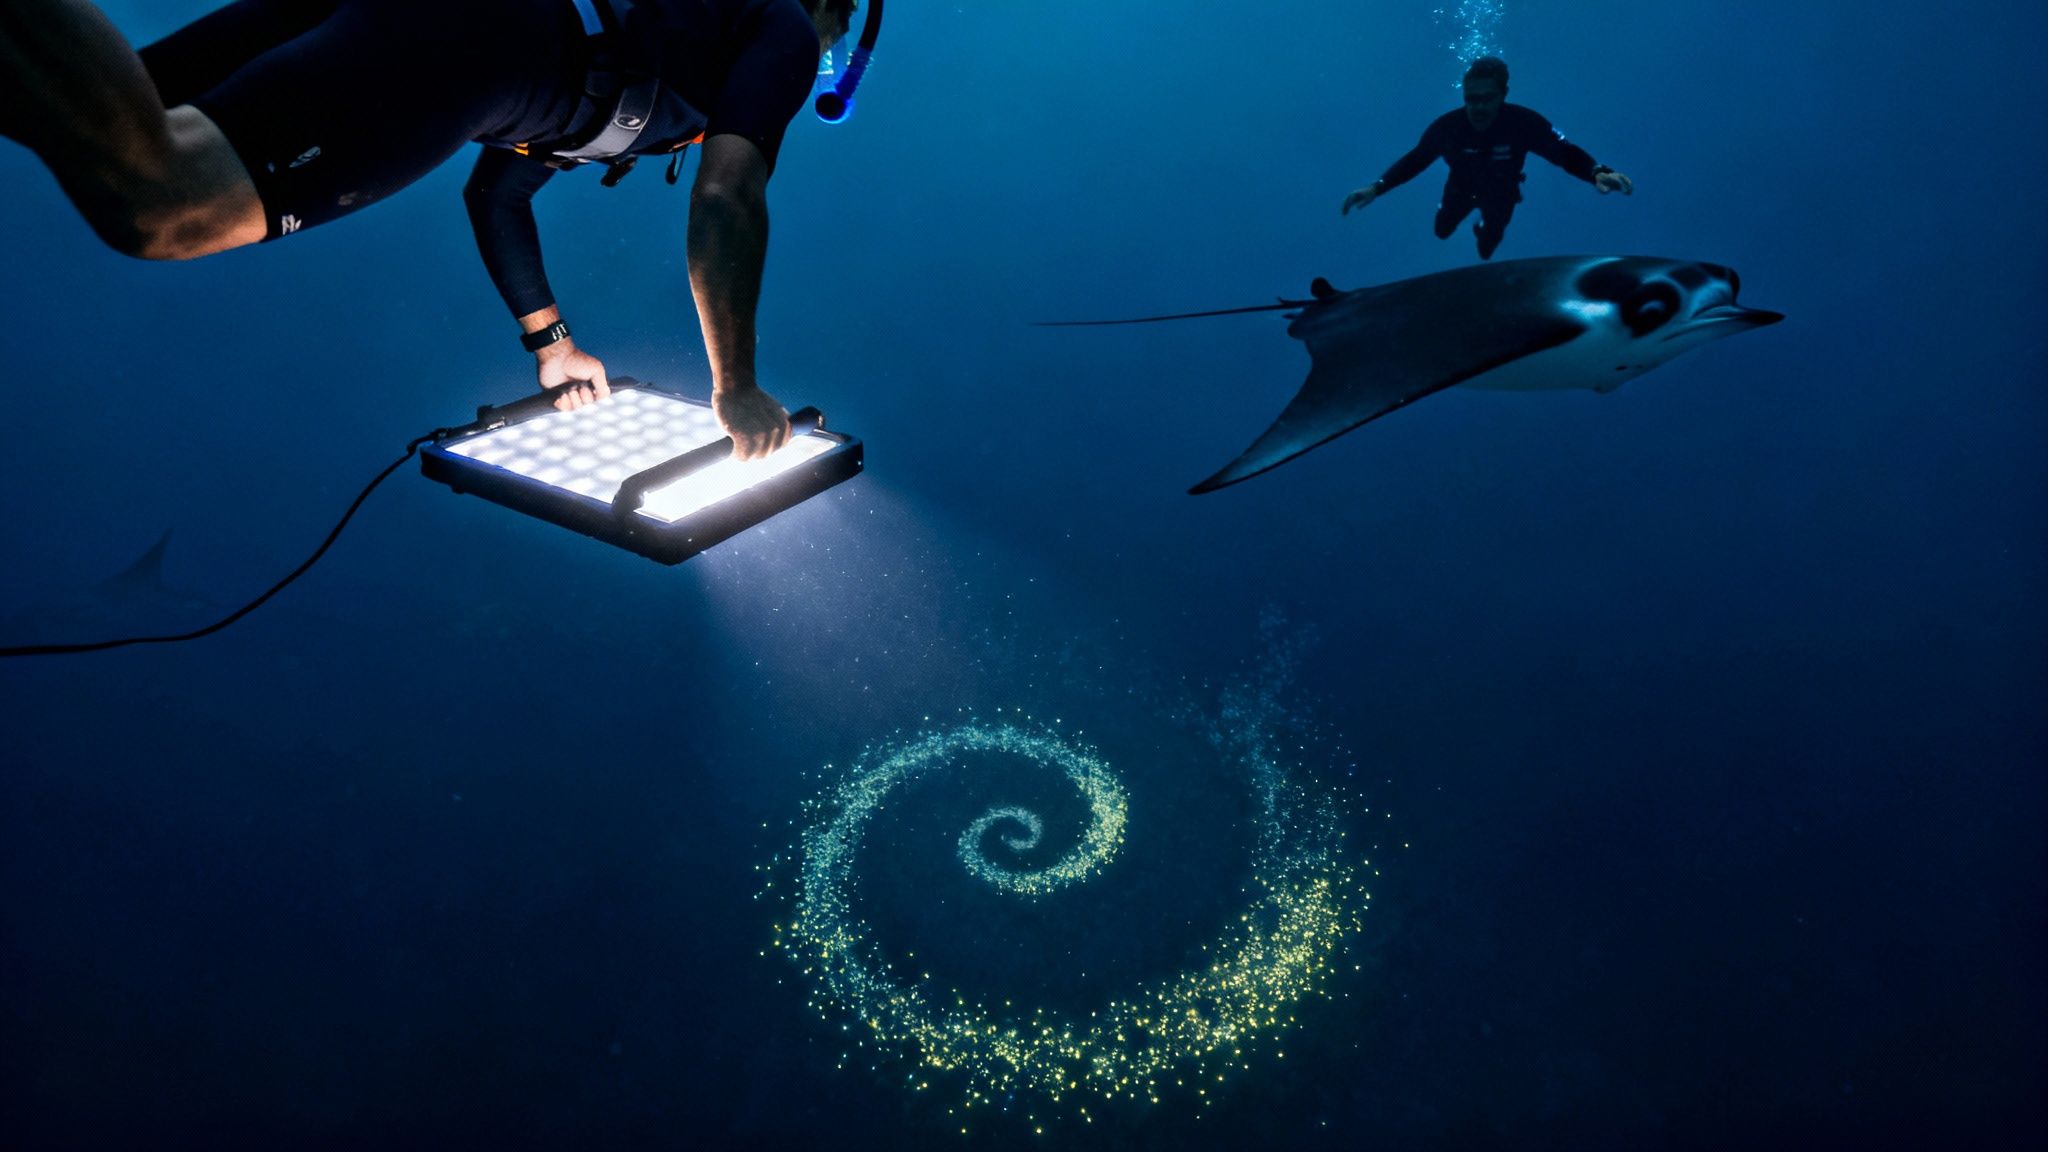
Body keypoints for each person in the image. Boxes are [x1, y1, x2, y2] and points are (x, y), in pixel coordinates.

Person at [0, 0, 858, 457]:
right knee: (165, 206)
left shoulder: (665, 34)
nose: (827, 45)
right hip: (474, 40)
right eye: (841, 26)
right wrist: (735, 384)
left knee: (77, 107)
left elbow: (499, 196)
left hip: (458, 26)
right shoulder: (779, 23)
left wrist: (552, 343)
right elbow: (725, 198)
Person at [1341, 56, 1633, 261]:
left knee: (1487, 247)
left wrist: (1597, 171)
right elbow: (1416, 160)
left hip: (1502, 194)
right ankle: (1465, 223)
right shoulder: (1448, 127)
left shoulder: (1523, 123)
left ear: (1503, 94)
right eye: (1471, 98)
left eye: (1487, 98)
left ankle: (1483, 231)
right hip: (1459, 190)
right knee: (1441, 231)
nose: (1478, 107)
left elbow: (1564, 153)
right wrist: (1376, 187)